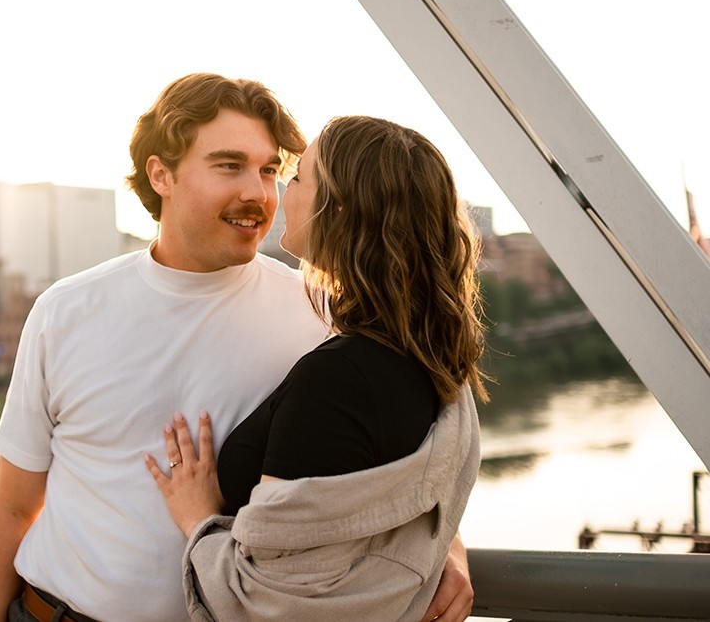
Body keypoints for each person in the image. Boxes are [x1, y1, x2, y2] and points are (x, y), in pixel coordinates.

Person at [0, 75, 474, 622]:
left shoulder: (326, 314)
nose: (258, 193)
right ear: (161, 174)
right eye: (229, 166)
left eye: (270, 170)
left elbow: (409, 458)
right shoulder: (65, 311)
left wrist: (449, 548)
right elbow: (13, 508)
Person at [145, 115, 487, 621]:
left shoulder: (338, 380)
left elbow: (268, 604)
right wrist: (446, 546)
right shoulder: (426, 355)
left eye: (297, 176)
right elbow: (397, 506)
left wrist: (198, 518)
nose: (282, 191)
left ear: (338, 209)